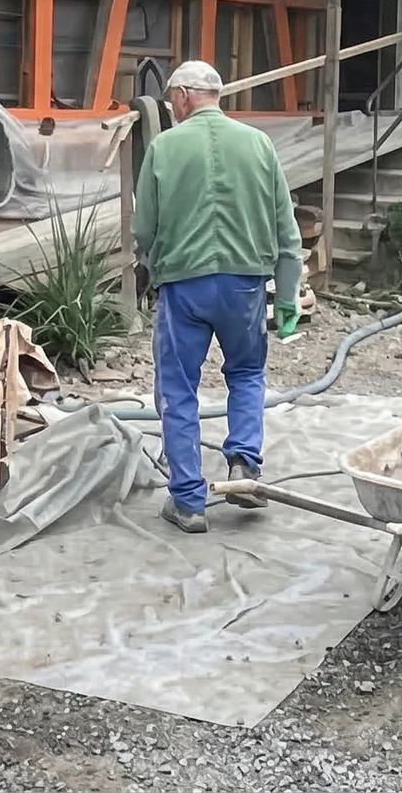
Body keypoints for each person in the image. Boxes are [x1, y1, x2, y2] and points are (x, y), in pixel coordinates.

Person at [131, 60, 305, 534]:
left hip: (183, 285)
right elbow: (286, 229)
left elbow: (144, 228)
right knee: (247, 372)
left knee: (178, 387)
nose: (171, 108)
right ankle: (245, 469)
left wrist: (153, 263)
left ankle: (188, 502)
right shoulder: (260, 145)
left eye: (171, 100)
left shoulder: (164, 147)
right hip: (245, 285)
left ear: (184, 95)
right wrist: (287, 294)